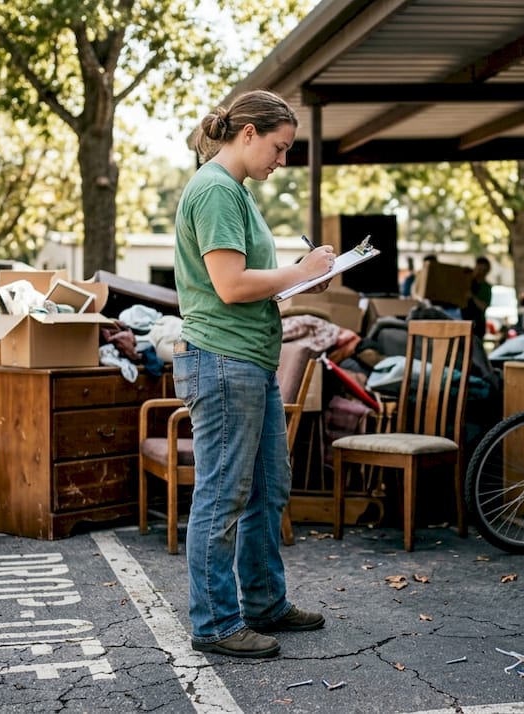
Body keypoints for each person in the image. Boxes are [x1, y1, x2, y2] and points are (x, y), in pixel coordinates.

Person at [173, 89, 335, 659]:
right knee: (223, 496)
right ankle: (216, 623)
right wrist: (297, 269)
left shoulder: (234, 191)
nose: (280, 161)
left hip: (247, 359)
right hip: (223, 363)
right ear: (247, 133)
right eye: (279, 147)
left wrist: (297, 283)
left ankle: (264, 603)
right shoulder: (217, 190)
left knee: (267, 487)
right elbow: (230, 286)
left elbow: (247, 284)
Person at [464, 256, 493, 338]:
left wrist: (472, 297)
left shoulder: (486, 287)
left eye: (484, 270)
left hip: (477, 323)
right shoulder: (467, 281)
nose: (481, 273)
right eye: (479, 269)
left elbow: (484, 306)